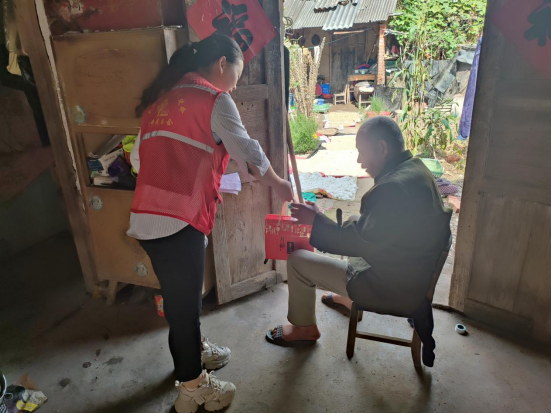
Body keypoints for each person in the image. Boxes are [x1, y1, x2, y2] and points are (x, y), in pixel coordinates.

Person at [128, 34, 293, 414]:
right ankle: (193, 390)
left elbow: (139, 160)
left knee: (181, 300)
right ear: (221, 64)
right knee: (183, 312)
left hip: (148, 218)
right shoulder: (213, 99)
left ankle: (195, 351)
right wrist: (278, 184)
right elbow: (248, 150)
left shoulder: (160, 102)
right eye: (236, 75)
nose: (234, 86)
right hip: (178, 221)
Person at [266, 117, 452, 368]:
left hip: (389, 286)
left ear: (382, 148)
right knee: (355, 218)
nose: (359, 161)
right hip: (410, 268)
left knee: (298, 261)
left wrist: (315, 221)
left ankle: (304, 328)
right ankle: (348, 298)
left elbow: (354, 242)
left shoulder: (392, 189)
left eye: (362, 152)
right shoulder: (416, 168)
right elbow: (369, 233)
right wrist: (320, 219)